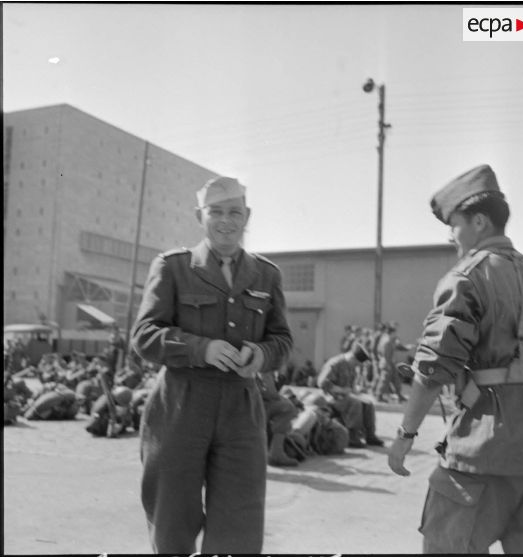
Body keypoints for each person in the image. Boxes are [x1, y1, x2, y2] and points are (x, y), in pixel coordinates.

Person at [387, 164, 523, 554]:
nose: (451, 236)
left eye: (455, 225)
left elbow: (432, 369)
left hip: (482, 449)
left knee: (444, 545)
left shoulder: (466, 278)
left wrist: (404, 436)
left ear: (479, 221)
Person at [131, 176, 293, 554]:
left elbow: (282, 340)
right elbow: (143, 334)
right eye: (216, 212)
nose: (226, 221)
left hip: (241, 406)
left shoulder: (267, 275)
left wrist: (262, 355)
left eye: (235, 212)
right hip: (180, 404)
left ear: (247, 215)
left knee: (240, 522)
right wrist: (199, 349)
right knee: (172, 518)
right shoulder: (173, 267)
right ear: (199, 216)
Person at [317, 342, 384, 447]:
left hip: (344, 398)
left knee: (368, 404)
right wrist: (342, 390)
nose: (357, 366)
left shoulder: (351, 366)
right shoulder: (335, 363)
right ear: (352, 357)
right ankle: (352, 436)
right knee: (355, 403)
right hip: (331, 398)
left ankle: (370, 435)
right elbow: (322, 383)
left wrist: (357, 390)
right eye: (357, 363)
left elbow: (351, 387)